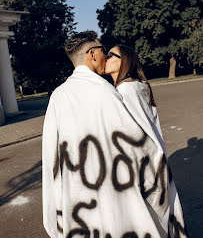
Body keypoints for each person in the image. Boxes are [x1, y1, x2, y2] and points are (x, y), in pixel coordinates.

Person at [42, 31, 188, 238]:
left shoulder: (58, 95)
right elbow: (135, 144)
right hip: (112, 192)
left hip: (78, 199)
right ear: (92, 54)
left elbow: (51, 155)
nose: (105, 57)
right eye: (103, 51)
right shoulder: (106, 92)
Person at [105, 44, 189, 238]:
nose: (107, 58)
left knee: (147, 221)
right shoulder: (139, 86)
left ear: (124, 61)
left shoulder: (125, 91)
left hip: (141, 165)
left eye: (112, 55)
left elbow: (129, 134)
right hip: (155, 160)